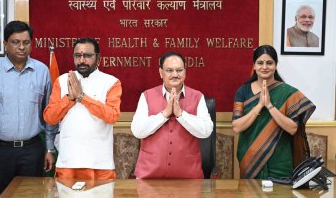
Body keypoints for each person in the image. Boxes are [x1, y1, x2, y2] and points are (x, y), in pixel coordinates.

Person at [0, 20, 57, 198]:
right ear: (5, 44)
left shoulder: (42, 71)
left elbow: (49, 114)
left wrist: (49, 148)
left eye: (26, 42)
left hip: (32, 151)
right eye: (15, 42)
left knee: (32, 195)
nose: (21, 47)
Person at [232, 45, 316, 179]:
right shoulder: (243, 91)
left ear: (275, 65)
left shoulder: (288, 92)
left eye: (269, 63)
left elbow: (293, 128)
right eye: (260, 63)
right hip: (250, 160)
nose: (264, 67)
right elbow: (236, 127)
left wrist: (270, 105)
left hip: (280, 161)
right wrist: (259, 105)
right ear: (254, 66)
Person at [43, 38, 122, 180]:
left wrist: (82, 97)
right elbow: (49, 117)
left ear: (98, 58)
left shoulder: (111, 82)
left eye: (87, 56)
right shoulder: (62, 80)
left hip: (100, 164)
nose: (82, 60)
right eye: (77, 56)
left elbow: (112, 116)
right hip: (68, 162)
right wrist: (69, 98)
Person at [131, 51, 213, 179]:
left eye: (179, 70)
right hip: (149, 176)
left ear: (185, 71)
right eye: (169, 70)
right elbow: (138, 131)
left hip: (188, 177)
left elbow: (206, 131)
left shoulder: (198, 97)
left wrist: (181, 115)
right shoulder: (146, 96)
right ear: (160, 72)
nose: (175, 74)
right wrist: (164, 114)